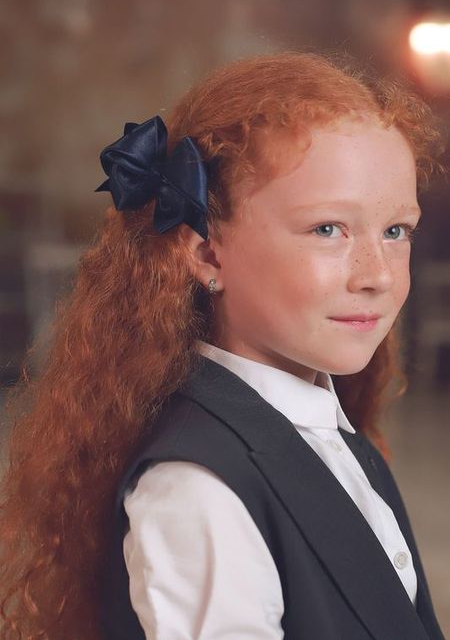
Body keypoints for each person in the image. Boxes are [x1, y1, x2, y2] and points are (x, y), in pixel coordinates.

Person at [0, 52, 447, 640]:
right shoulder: (200, 492)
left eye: (396, 231)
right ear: (207, 253)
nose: (378, 274)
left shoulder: (326, 432)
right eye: (327, 229)